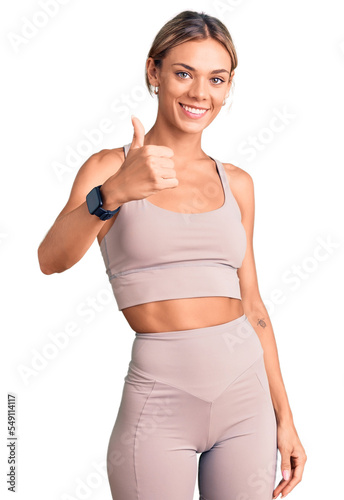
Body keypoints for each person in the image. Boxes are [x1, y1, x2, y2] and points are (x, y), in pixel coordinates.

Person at [37, 10, 307, 500]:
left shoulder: (238, 183)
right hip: (160, 401)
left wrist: (285, 419)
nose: (200, 93)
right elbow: (51, 259)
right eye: (184, 73)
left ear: (227, 88)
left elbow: (254, 307)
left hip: (247, 402)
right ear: (153, 72)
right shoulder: (108, 167)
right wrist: (113, 193)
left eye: (216, 79)